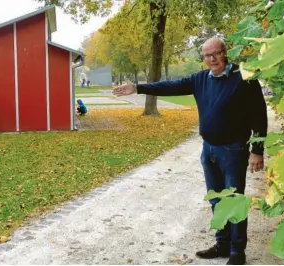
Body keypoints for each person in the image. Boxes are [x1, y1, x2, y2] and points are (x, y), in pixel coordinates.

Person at [112, 37, 267, 265]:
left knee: (234, 200)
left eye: (216, 53)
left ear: (226, 53)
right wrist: (138, 88)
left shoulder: (244, 78)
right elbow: (171, 86)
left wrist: (257, 150)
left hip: (233, 149)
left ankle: (237, 251)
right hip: (209, 149)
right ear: (203, 58)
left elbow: (259, 116)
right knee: (216, 200)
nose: (212, 59)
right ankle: (222, 244)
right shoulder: (201, 79)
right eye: (207, 55)